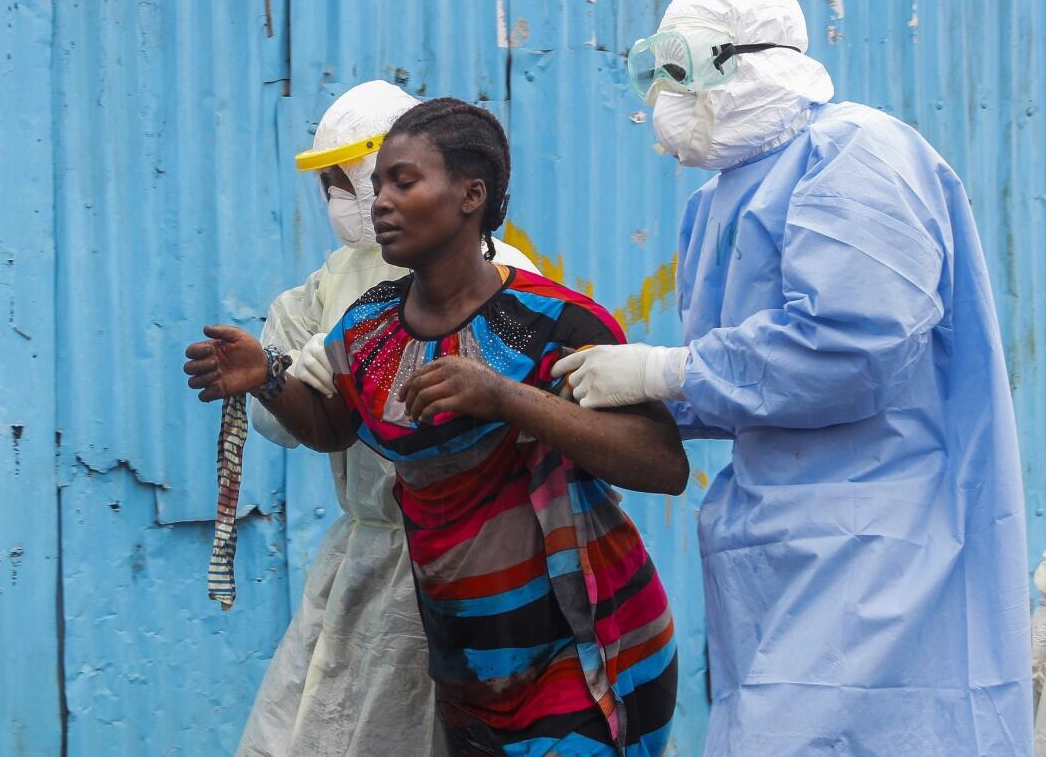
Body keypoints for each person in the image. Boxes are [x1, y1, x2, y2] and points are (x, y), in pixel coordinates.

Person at [553, 0, 1032, 755]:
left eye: (685, 72)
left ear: (750, 63)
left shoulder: (856, 154)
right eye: (657, 76)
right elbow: (747, 383)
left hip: (883, 539)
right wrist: (614, 395)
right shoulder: (718, 201)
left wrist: (664, 373)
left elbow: (853, 349)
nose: (666, 100)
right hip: (781, 540)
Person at [185, 98, 687, 755]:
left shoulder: (545, 321)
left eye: (402, 182)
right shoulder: (368, 324)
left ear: (471, 195)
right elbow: (335, 426)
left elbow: (662, 465)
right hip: (470, 667)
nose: (377, 202)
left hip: (580, 637)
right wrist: (268, 378)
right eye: (376, 183)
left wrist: (508, 399)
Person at [231, 80, 537, 757]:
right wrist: (276, 374)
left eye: (348, 180)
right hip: (367, 552)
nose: (342, 199)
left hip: (467, 553)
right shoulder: (329, 285)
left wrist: (359, 364)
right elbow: (291, 425)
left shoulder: (508, 282)